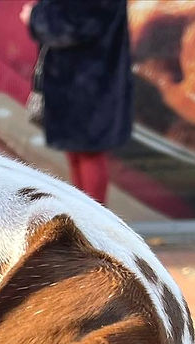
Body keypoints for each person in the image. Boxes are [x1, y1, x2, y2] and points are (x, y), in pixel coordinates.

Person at [21, 0, 132, 205]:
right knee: (78, 153)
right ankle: (84, 218)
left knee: (88, 153)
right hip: (79, 81)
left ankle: (93, 224)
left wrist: (36, 17)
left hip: (87, 82)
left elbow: (74, 24)